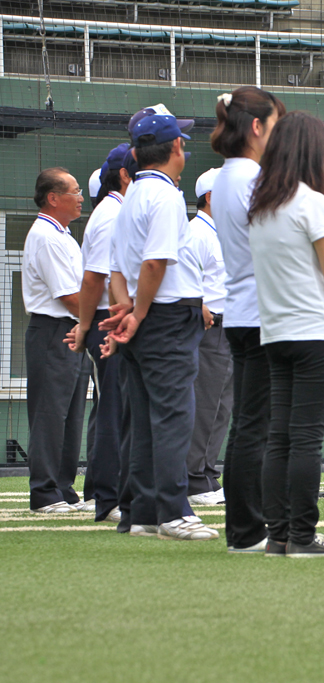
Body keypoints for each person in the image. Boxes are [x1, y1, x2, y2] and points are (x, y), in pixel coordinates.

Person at [105, 108, 218, 540]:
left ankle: (144, 513)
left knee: (146, 421)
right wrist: (136, 313)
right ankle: (173, 511)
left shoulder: (131, 195)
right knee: (173, 417)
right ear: (176, 148)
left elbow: (118, 271)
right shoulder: (166, 196)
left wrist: (127, 311)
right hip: (166, 317)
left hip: (147, 316)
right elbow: (155, 263)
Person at [249, 111, 324, 557]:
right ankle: (304, 536)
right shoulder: (312, 202)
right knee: (307, 437)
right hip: (314, 331)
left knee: (280, 437)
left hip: (275, 333)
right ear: (313, 152)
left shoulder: (260, 207)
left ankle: (279, 535)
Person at [210, 86, 285, 551]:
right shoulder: (252, 178)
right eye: (275, 124)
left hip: (243, 310)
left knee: (248, 424)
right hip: (260, 313)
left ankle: (247, 526)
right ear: (256, 127)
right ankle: (247, 529)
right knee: (256, 426)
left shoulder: (228, 175)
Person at [67, 144, 133, 523]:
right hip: (110, 320)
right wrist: (87, 325)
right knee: (113, 410)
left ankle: (112, 492)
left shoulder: (117, 211)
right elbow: (95, 279)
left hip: (115, 319)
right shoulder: (111, 215)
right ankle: (107, 498)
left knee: (120, 409)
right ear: (124, 175)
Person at [23, 168, 91, 513]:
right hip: (54, 330)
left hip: (72, 329)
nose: (81, 197)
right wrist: (94, 321)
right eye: (74, 191)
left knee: (71, 413)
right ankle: (44, 492)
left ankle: (63, 487)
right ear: (53, 198)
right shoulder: (46, 236)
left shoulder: (62, 235)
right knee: (50, 412)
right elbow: (68, 296)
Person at [186, 168, 233, 507]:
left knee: (222, 407)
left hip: (231, 328)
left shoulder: (223, 233)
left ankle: (206, 474)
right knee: (205, 405)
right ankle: (193, 479)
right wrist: (199, 305)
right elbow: (184, 276)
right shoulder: (196, 232)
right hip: (208, 328)